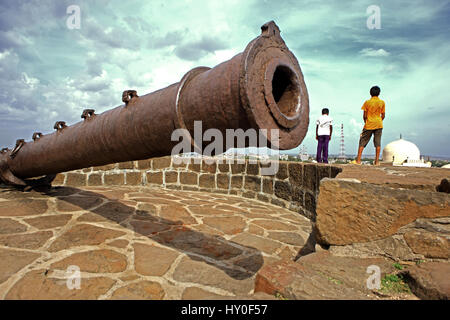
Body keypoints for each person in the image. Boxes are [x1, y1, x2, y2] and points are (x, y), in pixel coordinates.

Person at [353, 86, 385, 165]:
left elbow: (364, 116)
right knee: (377, 143)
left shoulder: (367, 102)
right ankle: (377, 162)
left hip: (369, 124)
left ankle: (358, 161)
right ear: (379, 93)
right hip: (378, 124)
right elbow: (383, 115)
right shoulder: (382, 102)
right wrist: (379, 120)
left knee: (362, 142)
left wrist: (366, 122)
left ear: (370, 93)